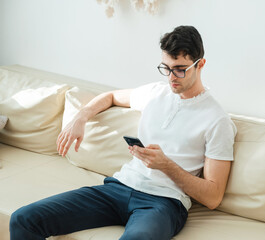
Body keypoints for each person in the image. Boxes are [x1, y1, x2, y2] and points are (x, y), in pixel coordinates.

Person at [9, 25, 237, 240]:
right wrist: (81, 117)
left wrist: (166, 165)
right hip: (118, 187)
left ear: (200, 64)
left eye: (180, 70)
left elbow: (213, 197)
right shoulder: (155, 93)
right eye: (166, 68)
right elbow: (111, 96)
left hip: (163, 203)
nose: (171, 78)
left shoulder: (217, 120)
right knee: (24, 219)